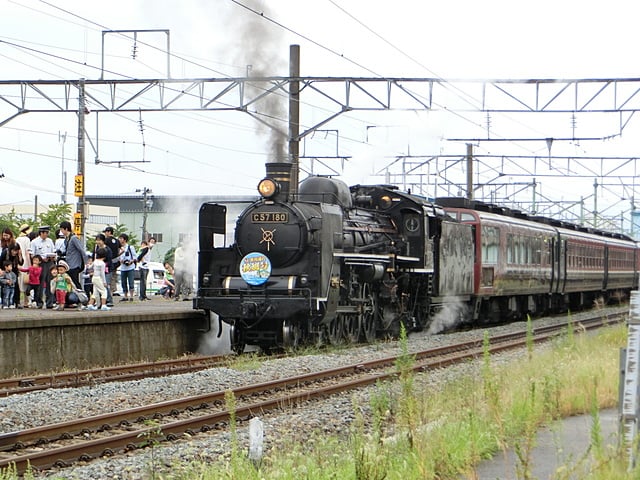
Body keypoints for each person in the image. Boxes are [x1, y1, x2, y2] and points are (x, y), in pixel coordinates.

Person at [29, 226, 57, 309]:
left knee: (51, 282)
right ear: (41, 233)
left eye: (47, 233)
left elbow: (53, 251)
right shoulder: (34, 242)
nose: (47, 235)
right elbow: (32, 254)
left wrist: (53, 257)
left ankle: (50, 302)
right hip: (40, 264)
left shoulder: (50, 241)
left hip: (50, 263)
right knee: (40, 284)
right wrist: (39, 259)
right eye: (45, 233)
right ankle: (39, 302)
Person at [59, 221, 87, 290]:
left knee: (75, 282)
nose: (61, 231)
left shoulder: (74, 238)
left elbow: (81, 250)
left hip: (75, 264)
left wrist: (86, 262)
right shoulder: (67, 239)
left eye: (62, 229)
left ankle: (82, 296)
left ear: (66, 229)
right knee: (71, 281)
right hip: (69, 264)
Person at [103, 226, 120, 306]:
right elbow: (122, 249)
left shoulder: (106, 240)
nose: (105, 233)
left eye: (106, 232)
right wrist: (117, 255)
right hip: (116, 261)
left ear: (109, 232)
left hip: (108, 262)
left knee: (106, 280)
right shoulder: (117, 240)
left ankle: (109, 296)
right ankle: (112, 292)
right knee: (113, 277)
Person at [117, 233, 137, 302]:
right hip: (122, 268)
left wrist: (130, 262)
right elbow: (118, 257)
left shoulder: (130, 247)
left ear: (125, 240)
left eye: (121, 238)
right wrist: (121, 261)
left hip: (130, 267)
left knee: (131, 282)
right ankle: (125, 296)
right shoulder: (119, 248)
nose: (120, 240)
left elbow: (135, 257)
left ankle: (131, 296)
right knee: (123, 282)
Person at [15, 224, 32, 307]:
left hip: (18, 261)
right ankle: (26, 301)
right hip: (25, 262)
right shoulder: (27, 240)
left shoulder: (17, 239)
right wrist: (30, 265)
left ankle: (18, 301)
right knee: (26, 281)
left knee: (19, 281)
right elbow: (27, 253)